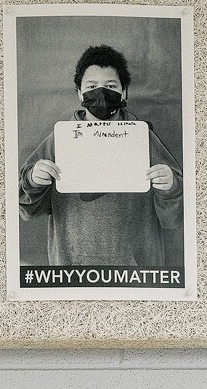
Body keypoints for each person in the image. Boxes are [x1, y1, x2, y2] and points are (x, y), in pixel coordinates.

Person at [18, 45, 183, 266]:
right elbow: (25, 208)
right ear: (79, 93)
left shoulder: (143, 138)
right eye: (92, 86)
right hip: (71, 269)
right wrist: (33, 180)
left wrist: (171, 185)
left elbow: (174, 217)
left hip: (137, 273)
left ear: (124, 92)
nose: (101, 92)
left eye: (110, 86)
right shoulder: (60, 138)